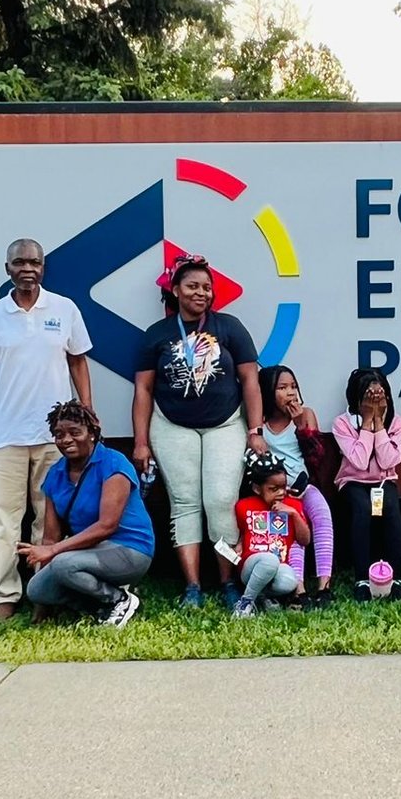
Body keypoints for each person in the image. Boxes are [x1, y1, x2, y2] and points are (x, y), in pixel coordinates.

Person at [131, 254, 265, 610]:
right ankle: (192, 586)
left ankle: (227, 582)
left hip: (225, 424)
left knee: (221, 501)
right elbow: (143, 390)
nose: (201, 292)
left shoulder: (230, 327)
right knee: (186, 503)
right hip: (172, 427)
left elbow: (250, 380)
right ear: (175, 290)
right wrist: (141, 441)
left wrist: (255, 430)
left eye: (207, 287)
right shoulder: (156, 335)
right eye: (192, 286)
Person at [0, 239, 94, 619]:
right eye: (20, 262)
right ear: (7, 268)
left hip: (54, 437)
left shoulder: (64, 308)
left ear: (44, 268)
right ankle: (5, 596)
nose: (28, 269)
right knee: (5, 522)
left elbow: (78, 362)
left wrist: (87, 411)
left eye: (35, 263)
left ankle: (44, 592)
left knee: (49, 518)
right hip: (4, 436)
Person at [21, 401, 154, 627]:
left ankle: (119, 600)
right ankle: (98, 609)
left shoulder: (113, 463)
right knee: (37, 589)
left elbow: (107, 526)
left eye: (75, 432)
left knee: (63, 564)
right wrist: (42, 606)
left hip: (130, 549)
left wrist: (53, 551)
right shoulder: (55, 474)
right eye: (59, 434)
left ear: (92, 433)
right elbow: (50, 538)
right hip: (88, 553)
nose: (66, 440)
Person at [256, 364, 336, 607]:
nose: (290, 392)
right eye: (282, 388)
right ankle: (298, 588)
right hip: (279, 493)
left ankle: (324, 585)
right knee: (293, 530)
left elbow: (316, 458)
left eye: (293, 386)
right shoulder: (260, 422)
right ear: (269, 392)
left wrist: (303, 426)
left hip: (304, 485)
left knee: (322, 516)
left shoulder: (306, 414)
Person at [332, 367, 401, 602]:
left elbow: (389, 461)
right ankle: (362, 578)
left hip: (384, 481)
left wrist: (380, 424)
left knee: (391, 507)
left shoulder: (396, 422)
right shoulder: (342, 423)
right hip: (353, 481)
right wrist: (366, 423)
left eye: (380, 394)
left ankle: (396, 578)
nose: (375, 399)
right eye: (369, 395)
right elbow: (359, 461)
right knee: (363, 508)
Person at [232, 451, 309, 618]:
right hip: (251, 564)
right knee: (269, 560)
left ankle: (263, 596)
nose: (281, 493)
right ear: (257, 489)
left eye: (283, 487)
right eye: (273, 489)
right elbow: (241, 533)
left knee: (290, 581)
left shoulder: (293, 505)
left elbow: (305, 540)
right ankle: (245, 603)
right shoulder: (244, 505)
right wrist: (237, 546)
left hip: (278, 566)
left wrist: (294, 514)